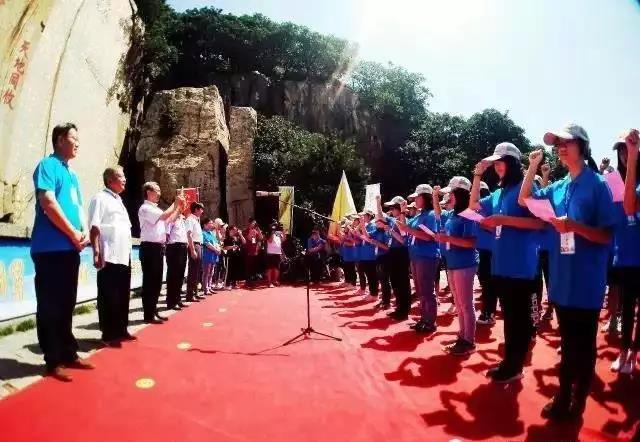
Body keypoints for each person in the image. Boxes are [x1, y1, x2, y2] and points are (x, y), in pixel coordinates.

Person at [520, 123, 617, 421]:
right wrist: (532, 166)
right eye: (557, 144)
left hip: (587, 280)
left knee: (584, 344)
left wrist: (574, 226)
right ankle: (563, 393)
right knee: (566, 342)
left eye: (567, 142)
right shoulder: (558, 187)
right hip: (561, 279)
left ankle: (579, 397)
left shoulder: (599, 184)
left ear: (582, 146)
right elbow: (525, 200)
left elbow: (606, 235)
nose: (560, 148)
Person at [470, 142, 544, 384]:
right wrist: (477, 175)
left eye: (501, 162)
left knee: (518, 320)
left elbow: (539, 223)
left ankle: (514, 366)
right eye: (495, 164)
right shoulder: (499, 193)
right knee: (509, 319)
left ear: (512, 163)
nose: (497, 167)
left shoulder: (527, 186)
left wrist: (503, 219)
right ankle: (509, 363)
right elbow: (473, 206)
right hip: (501, 265)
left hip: (521, 266)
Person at [31, 123, 92, 381]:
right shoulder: (47, 165)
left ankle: (68, 353)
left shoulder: (72, 175)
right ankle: (53, 359)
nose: (77, 143)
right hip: (49, 248)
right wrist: (72, 232)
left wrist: (84, 231)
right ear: (59, 140)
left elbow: (78, 207)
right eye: (73, 138)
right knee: (50, 305)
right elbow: (48, 202)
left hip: (70, 248)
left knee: (67, 303)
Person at [88, 166, 135, 348]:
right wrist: (96, 252)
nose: (124, 179)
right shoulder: (100, 198)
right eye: (120, 176)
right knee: (108, 295)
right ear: (109, 180)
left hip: (123, 255)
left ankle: (121, 329)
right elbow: (94, 227)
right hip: (109, 254)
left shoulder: (119, 201)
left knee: (123, 294)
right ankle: (108, 333)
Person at [434, 178, 479, 355]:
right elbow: (439, 215)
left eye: (451, 193)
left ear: (459, 194)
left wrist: (448, 239)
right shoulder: (453, 214)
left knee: (466, 304)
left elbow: (472, 242)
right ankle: (462, 336)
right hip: (452, 263)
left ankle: (469, 341)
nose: (449, 196)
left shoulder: (469, 215)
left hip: (464, 264)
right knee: (459, 304)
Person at [610, 129, 640, 374]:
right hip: (624, 254)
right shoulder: (612, 182)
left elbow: (630, 207)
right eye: (620, 149)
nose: (623, 153)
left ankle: (633, 353)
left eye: (628, 148)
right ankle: (623, 350)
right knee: (626, 307)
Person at [396, 184, 440, 333]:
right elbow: (404, 229)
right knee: (420, 290)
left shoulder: (431, 215)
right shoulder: (419, 216)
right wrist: (403, 212)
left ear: (425, 198)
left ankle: (430, 321)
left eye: (417, 197)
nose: (415, 200)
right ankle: (424, 319)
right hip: (416, 256)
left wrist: (408, 229)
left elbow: (429, 237)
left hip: (427, 256)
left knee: (427, 290)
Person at [138, 182, 184, 323]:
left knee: (157, 282)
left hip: (158, 248)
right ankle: (148, 314)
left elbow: (169, 219)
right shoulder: (145, 208)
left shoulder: (155, 209)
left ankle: (153, 310)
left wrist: (179, 208)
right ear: (148, 192)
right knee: (150, 282)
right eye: (156, 190)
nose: (159, 193)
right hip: (149, 248)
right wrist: (175, 202)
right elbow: (164, 216)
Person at [378, 195, 412, 321]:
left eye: (393, 208)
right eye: (390, 208)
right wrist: (378, 202)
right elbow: (381, 217)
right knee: (395, 281)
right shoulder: (392, 220)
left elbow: (403, 240)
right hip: (393, 252)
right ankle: (399, 307)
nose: (391, 210)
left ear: (399, 208)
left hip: (401, 252)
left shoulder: (404, 221)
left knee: (402, 282)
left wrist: (391, 231)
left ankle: (404, 310)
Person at [476, 181, 496, 325]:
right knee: (484, 282)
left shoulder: (491, 205)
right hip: (481, 249)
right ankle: (487, 311)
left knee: (489, 284)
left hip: (490, 250)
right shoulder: (479, 208)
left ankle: (489, 314)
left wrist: (483, 223)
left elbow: (496, 228)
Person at [165, 209, 189, 310]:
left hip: (183, 247)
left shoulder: (183, 219)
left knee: (180, 274)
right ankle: (171, 301)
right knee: (173, 275)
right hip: (174, 247)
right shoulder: (172, 217)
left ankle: (178, 299)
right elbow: (167, 234)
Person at [186, 202, 205, 301]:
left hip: (199, 245)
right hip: (194, 244)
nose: (202, 211)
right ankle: (190, 295)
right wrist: (192, 249)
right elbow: (189, 235)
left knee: (197, 270)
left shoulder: (196, 220)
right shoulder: (190, 219)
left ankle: (195, 292)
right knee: (193, 271)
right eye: (201, 209)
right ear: (196, 209)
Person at [202, 217, 221, 294]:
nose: (212, 224)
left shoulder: (211, 233)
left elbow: (216, 242)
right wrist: (215, 249)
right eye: (210, 223)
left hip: (213, 255)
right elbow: (207, 243)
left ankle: (209, 287)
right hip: (207, 255)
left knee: (211, 272)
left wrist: (218, 248)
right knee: (206, 272)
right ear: (205, 224)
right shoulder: (203, 233)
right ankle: (205, 288)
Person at [244, 218, 263, 287]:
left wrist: (259, 230)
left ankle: (253, 280)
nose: (254, 224)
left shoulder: (256, 230)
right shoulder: (246, 230)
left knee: (254, 267)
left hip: (255, 251)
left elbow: (261, 238)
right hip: (248, 251)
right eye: (253, 223)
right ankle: (248, 281)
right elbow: (248, 238)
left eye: (255, 223)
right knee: (249, 267)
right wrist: (251, 231)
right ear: (250, 223)